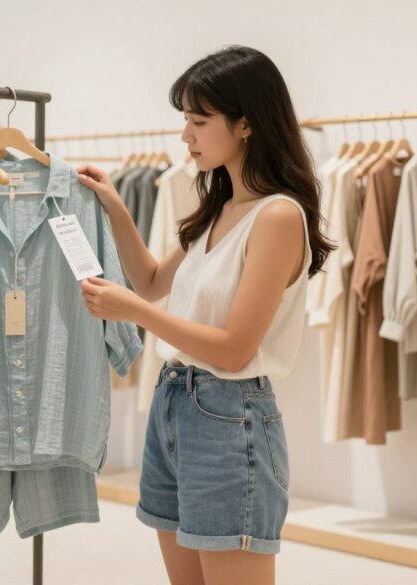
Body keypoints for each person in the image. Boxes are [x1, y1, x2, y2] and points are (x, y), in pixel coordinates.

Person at [77, 46, 334, 585]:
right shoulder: (219, 209)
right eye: (185, 121)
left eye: (198, 121)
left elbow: (234, 347)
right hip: (173, 404)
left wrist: (134, 313)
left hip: (229, 416)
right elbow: (148, 282)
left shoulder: (278, 217)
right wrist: (115, 207)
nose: (185, 136)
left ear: (245, 125)